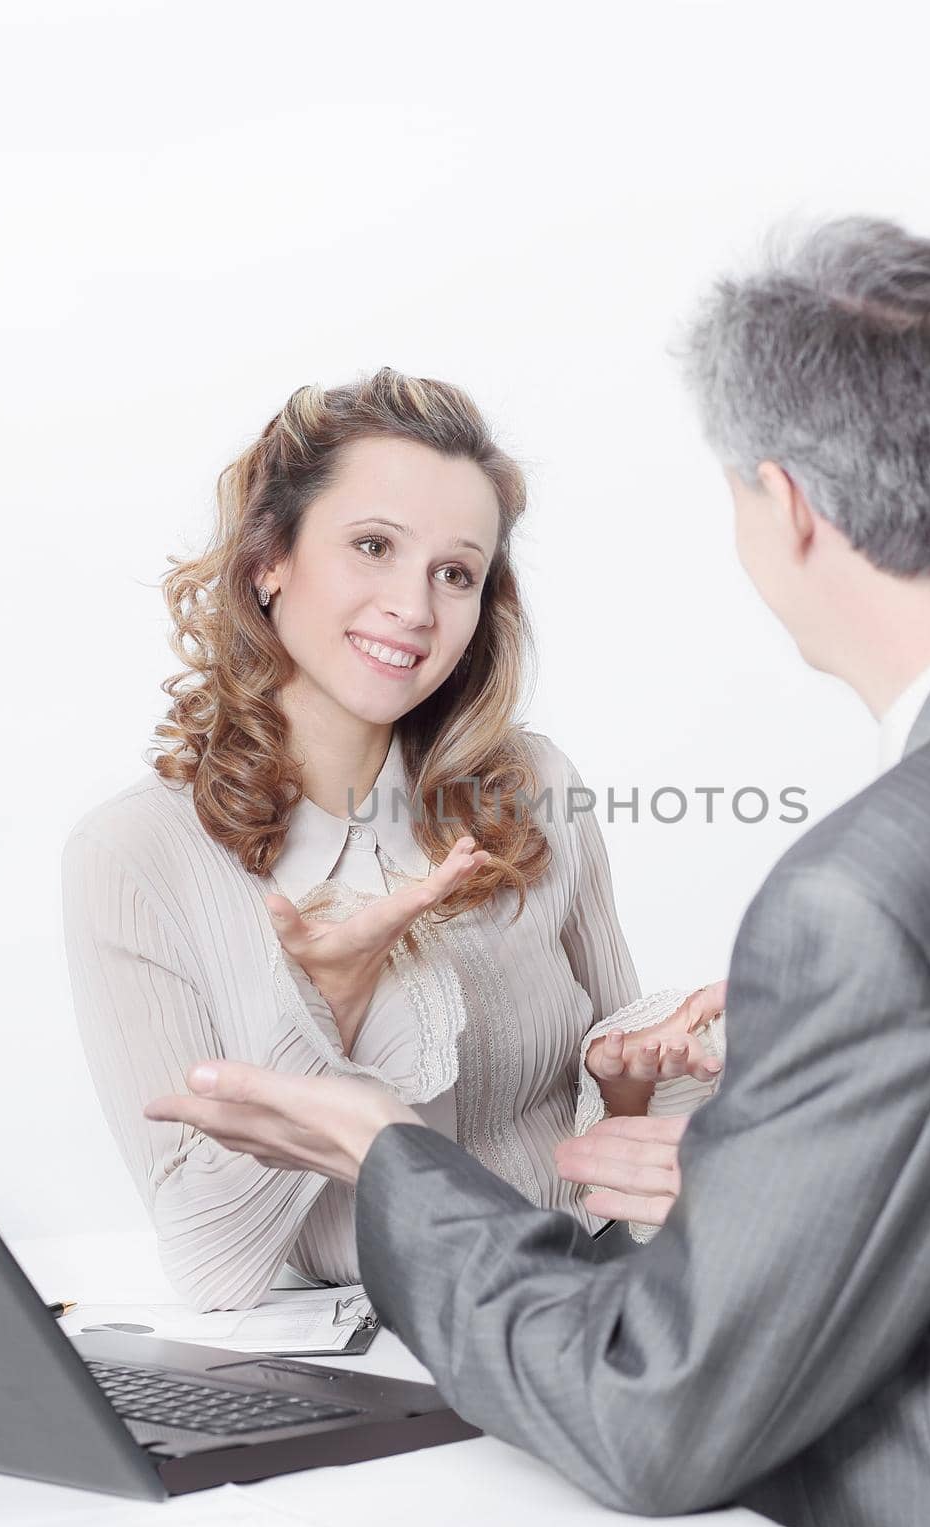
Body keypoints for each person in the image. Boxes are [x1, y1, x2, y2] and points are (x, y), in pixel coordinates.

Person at [143, 220, 930, 1527]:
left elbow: (646, 1414)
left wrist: (385, 1159)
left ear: (782, 508)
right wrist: (760, 1177)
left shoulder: (870, 886)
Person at [61, 368, 725, 1312]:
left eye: (454, 572)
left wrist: (628, 1086)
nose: (414, 608)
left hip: (596, 1303)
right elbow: (209, 1263)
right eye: (372, 545)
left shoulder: (534, 786)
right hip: (368, 1351)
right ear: (268, 560)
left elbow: (605, 1153)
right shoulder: (134, 855)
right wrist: (323, 1013)